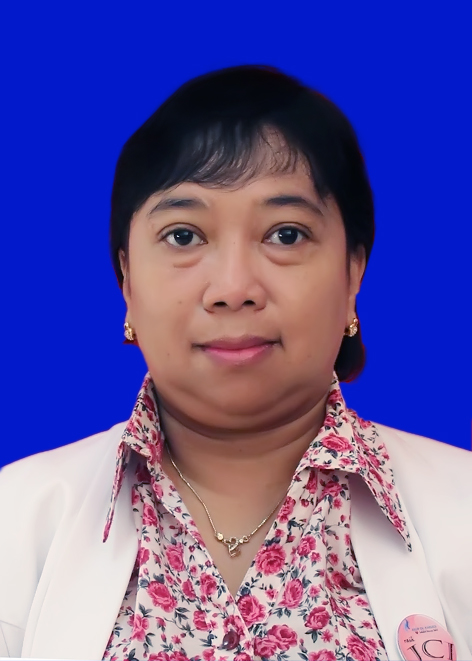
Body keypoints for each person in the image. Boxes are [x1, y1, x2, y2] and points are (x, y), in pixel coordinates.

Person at [0, 65, 471, 661]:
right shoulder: (12, 523)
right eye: (183, 236)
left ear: (353, 272)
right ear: (127, 280)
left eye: (286, 235)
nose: (232, 288)